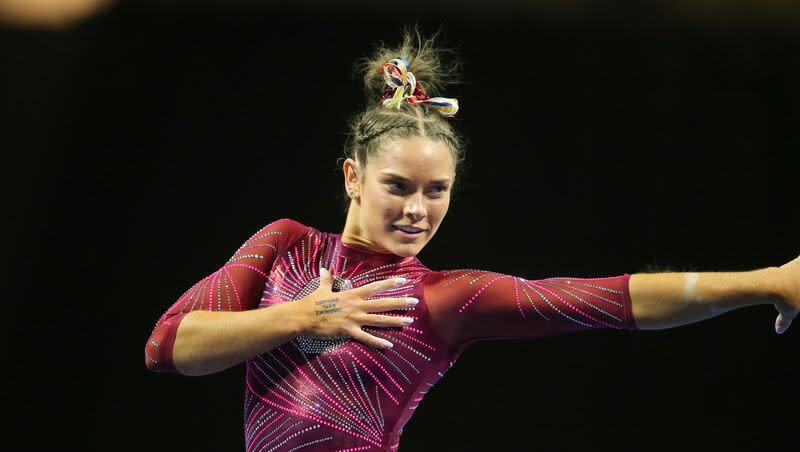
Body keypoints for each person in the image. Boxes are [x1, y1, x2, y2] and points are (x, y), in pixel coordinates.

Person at [144, 27, 800, 451]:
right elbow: (169, 346)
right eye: (399, 186)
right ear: (352, 176)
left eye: (438, 191)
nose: (418, 209)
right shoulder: (285, 246)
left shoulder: (442, 300)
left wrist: (764, 281)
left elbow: (610, 300)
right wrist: (304, 315)